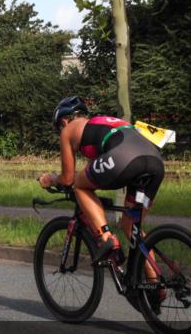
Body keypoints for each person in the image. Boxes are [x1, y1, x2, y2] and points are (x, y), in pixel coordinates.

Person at [38, 96, 165, 269]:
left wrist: (51, 179)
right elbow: (96, 171)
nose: (61, 131)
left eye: (59, 127)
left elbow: (67, 179)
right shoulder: (100, 124)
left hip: (125, 157)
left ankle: (107, 238)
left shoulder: (68, 130)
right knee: (130, 225)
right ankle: (155, 286)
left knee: (79, 186)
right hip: (155, 162)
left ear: (65, 120)